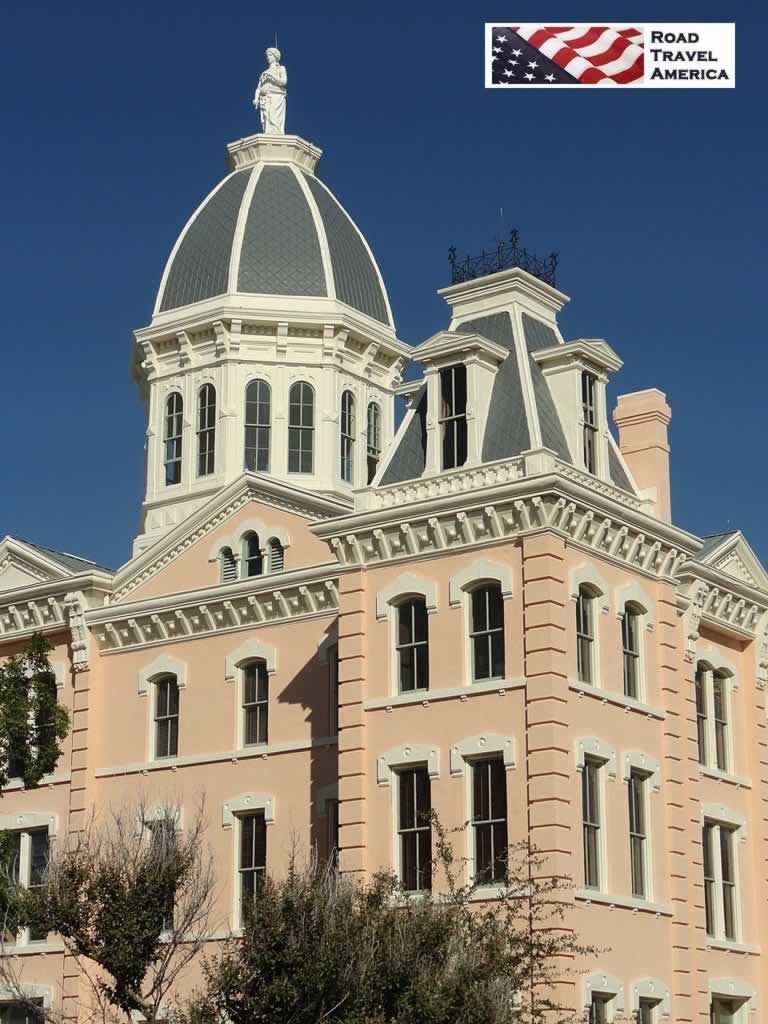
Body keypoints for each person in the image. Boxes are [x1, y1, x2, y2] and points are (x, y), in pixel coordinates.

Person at [254, 48, 287, 134]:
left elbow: (284, 82)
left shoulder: (281, 68)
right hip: (264, 99)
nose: (268, 57)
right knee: (267, 119)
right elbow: (258, 88)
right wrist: (256, 99)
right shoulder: (264, 73)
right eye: (267, 56)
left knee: (273, 116)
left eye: (270, 55)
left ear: (275, 56)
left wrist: (271, 75)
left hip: (276, 96)